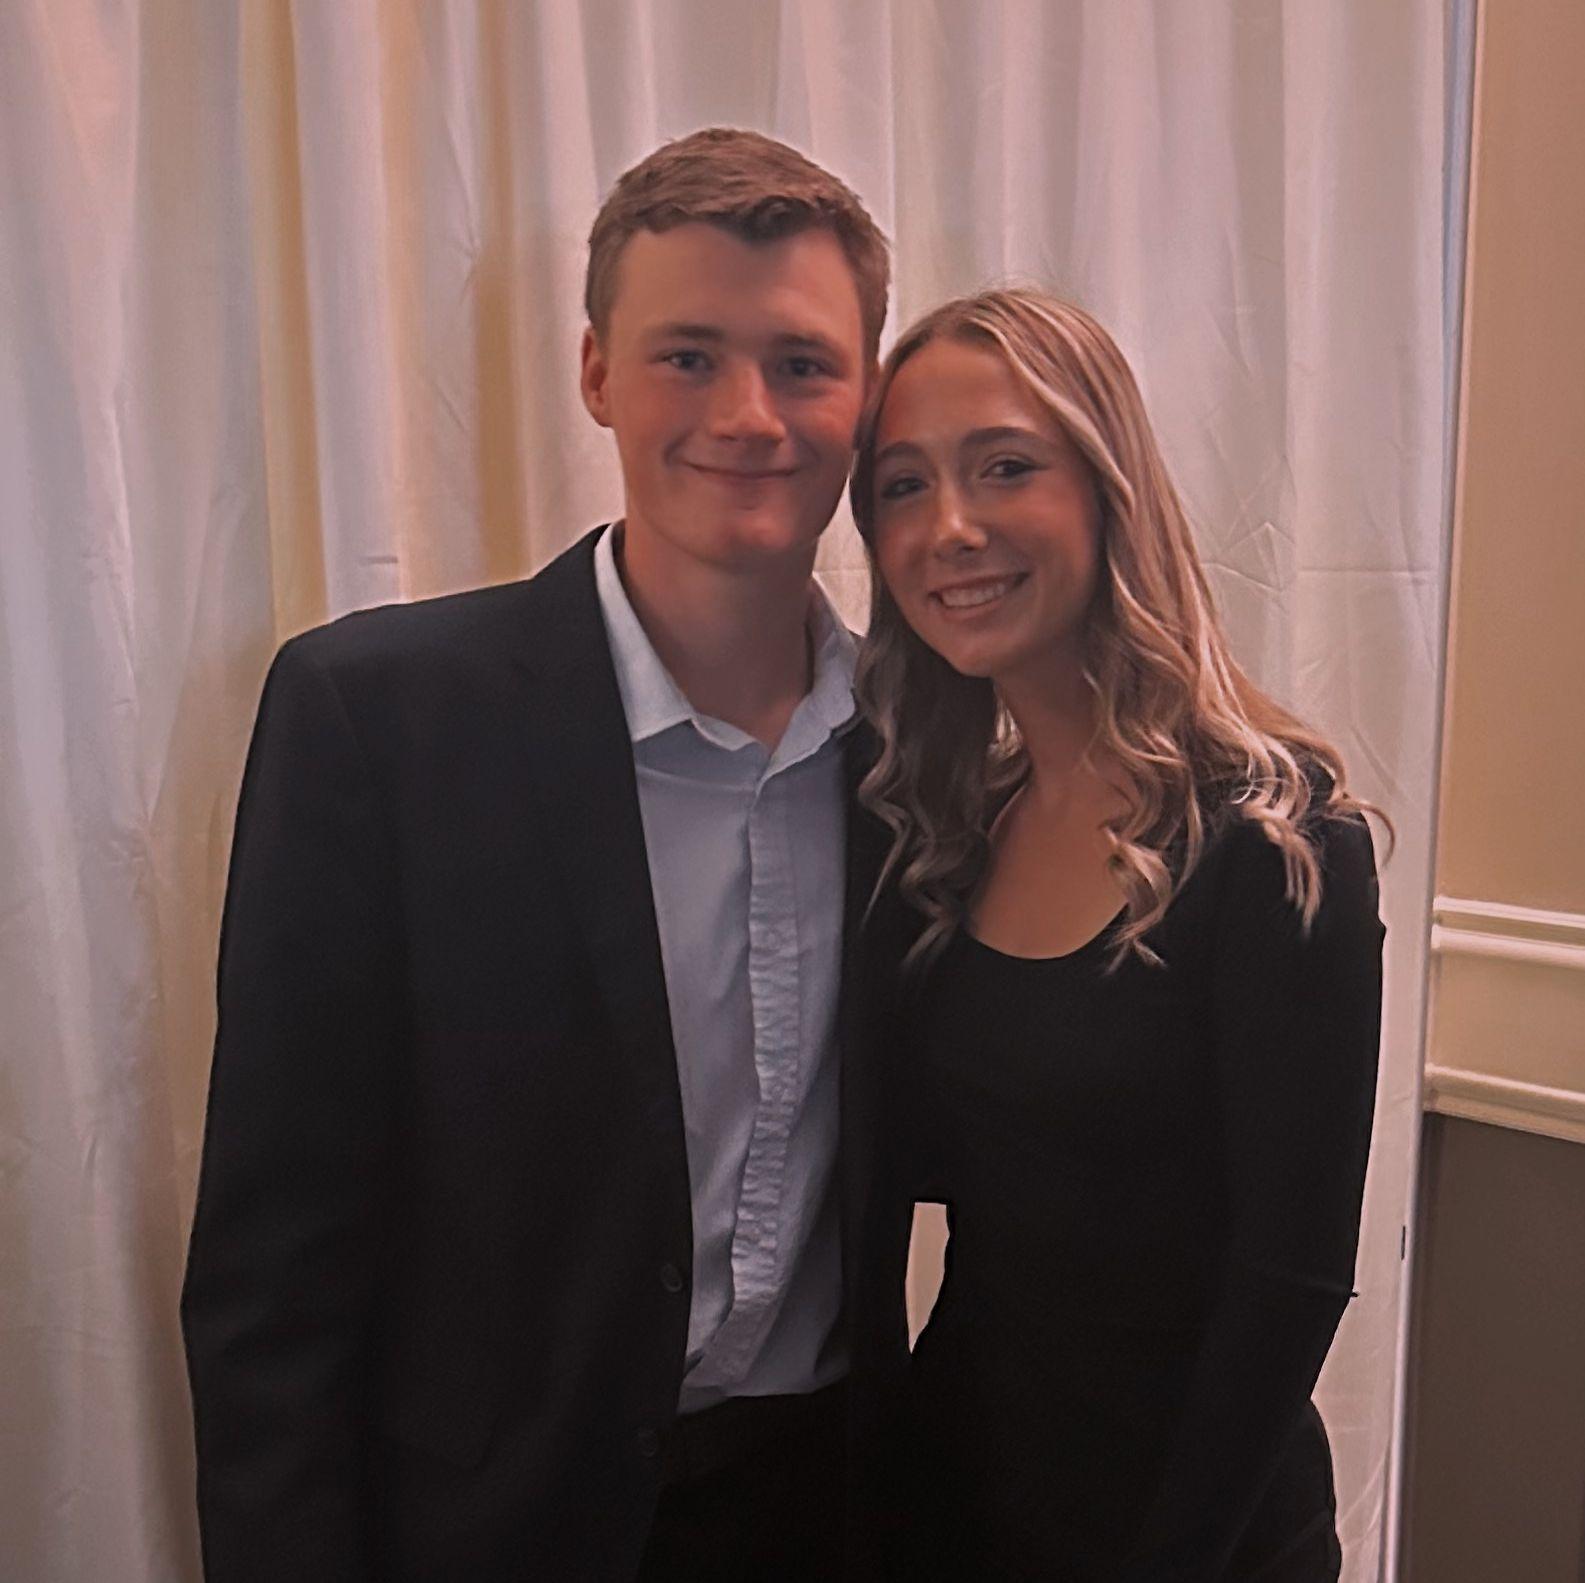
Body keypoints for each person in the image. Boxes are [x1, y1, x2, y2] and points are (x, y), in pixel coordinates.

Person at [181, 127, 910, 1583]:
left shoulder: (924, 754)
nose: (749, 415)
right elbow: (276, 1268)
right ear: (595, 374)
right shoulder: (374, 719)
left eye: (802, 364)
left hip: (830, 1513)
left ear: (866, 397)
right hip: (487, 1529)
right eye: (687, 356)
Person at [850, 287, 1387, 1580]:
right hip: (961, 1513)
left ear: (1108, 490)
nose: (950, 527)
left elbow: (1289, 1279)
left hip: (1199, 1537)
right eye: (903, 486)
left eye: (1004, 467)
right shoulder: (941, 836)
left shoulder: (1278, 842)